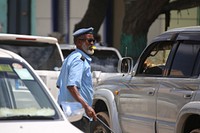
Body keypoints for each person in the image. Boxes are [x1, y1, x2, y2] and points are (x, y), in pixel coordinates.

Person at [56, 27, 97, 132]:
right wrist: (86, 107)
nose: (92, 43)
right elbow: (71, 86)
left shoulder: (70, 58)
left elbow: (59, 85)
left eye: (93, 40)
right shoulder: (79, 60)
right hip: (77, 115)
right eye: (89, 40)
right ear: (79, 42)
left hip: (68, 113)